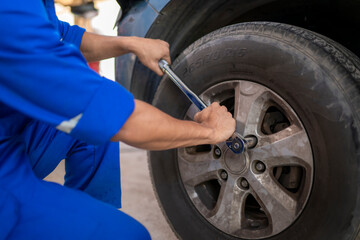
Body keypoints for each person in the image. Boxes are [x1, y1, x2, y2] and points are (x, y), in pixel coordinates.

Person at [0, 0, 235, 239]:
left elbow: (62, 35)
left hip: (10, 140)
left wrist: (130, 44)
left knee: (95, 127)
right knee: (131, 235)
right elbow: (119, 119)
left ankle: (89, 213)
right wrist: (209, 131)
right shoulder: (8, 12)